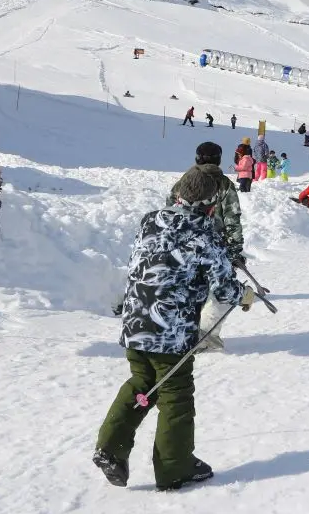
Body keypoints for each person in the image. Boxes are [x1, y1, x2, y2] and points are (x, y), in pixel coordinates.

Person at [93, 169, 254, 492]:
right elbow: (222, 289)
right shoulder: (205, 233)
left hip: (136, 321)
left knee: (142, 382)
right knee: (176, 395)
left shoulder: (150, 220)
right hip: (171, 330)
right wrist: (244, 294)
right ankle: (174, 468)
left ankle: (110, 447)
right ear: (211, 204)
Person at [166, 145, 246, 354]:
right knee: (219, 288)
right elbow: (232, 216)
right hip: (214, 244)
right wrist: (235, 249)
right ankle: (206, 335)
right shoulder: (224, 184)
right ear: (219, 159)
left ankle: (183, 330)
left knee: (189, 287)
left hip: (181, 242)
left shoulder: (185, 180)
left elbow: (169, 208)